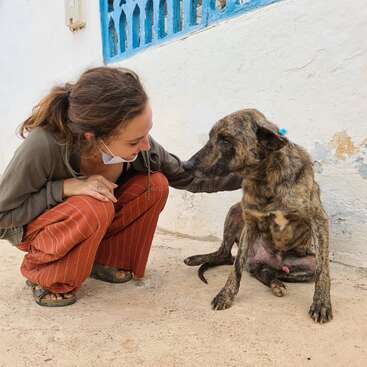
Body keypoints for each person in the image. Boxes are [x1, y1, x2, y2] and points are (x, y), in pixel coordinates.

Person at [0, 67, 241, 307]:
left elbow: (189, 176)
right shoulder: (44, 145)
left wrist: (256, 174)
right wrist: (62, 188)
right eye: (135, 141)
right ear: (91, 136)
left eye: (147, 134)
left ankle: (105, 261)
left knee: (154, 184)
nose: (146, 145)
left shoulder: (142, 148)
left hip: (90, 220)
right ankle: (45, 276)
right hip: (42, 229)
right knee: (93, 205)